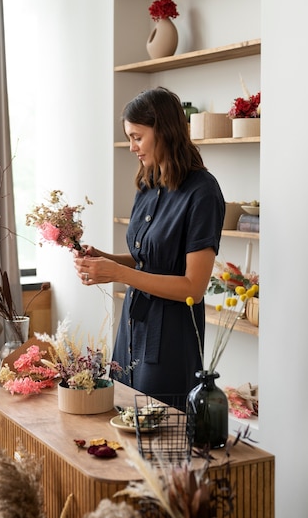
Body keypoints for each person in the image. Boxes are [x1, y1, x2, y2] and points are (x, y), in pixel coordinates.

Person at [73, 87, 225, 404]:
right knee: (121, 426)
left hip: (170, 338)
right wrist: (103, 259)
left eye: (137, 137)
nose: (131, 147)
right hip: (132, 326)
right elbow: (148, 260)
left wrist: (117, 273)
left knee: (159, 435)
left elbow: (193, 288)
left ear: (164, 131)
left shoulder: (203, 193)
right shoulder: (148, 182)